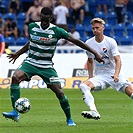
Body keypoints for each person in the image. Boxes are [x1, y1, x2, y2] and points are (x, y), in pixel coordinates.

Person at [2, 7, 104, 126]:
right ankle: (15, 112)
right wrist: (18, 54)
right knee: (15, 77)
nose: (45, 22)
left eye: (47, 20)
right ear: (40, 17)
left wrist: (95, 52)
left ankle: (69, 119)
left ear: (51, 18)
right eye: (43, 19)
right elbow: (31, 42)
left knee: (59, 92)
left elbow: (76, 41)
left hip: (46, 66)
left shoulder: (57, 31)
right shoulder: (32, 26)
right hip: (30, 62)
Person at [79, 18, 133, 120]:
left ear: (103, 28)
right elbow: (90, 61)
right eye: (93, 28)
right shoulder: (89, 43)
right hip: (100, 76)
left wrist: (116, 74)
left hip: (113, 73)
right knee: (84, 86)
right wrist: (90, 78)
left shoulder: (110, 42)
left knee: (131, 92)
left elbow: (118, 60)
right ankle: (94, 111)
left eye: (97, 28)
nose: (95, 30)